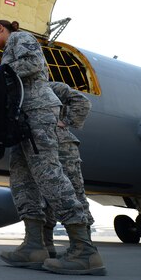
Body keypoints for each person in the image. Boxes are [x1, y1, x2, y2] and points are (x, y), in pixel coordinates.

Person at [0, 19, 105, 275]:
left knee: (47, 173)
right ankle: (34, 245)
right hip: (21, 117)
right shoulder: (8, 50)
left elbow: (33, 64)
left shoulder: (20, 38)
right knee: (21, 179)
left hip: (37, 110)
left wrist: (0, 71)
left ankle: (83, 249)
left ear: (1, 29)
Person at [43, 81, 95, 258]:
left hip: (64, 147)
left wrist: (65, 122)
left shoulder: (52, 87)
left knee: (75, 192)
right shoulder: (25, 91)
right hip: (44, 147)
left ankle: (84, 246)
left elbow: (83, 102)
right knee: (46, 194)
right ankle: (47, 246)